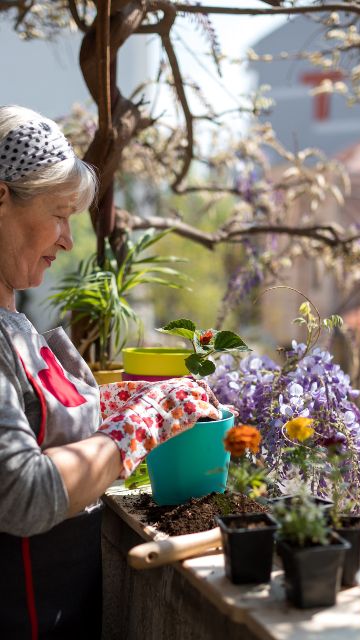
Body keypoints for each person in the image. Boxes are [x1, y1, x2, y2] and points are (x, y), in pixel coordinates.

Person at [0, 105, 222, 639]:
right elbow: (22, 491)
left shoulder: (14, 323)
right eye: (58, 214)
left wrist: (122, 403)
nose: (67, 240)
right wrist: (135, 429)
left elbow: (38, 424)